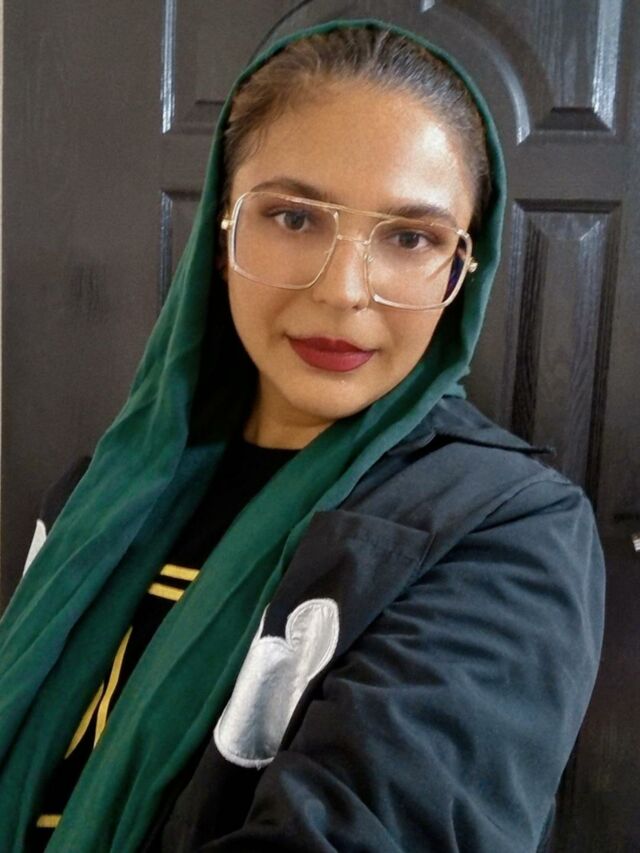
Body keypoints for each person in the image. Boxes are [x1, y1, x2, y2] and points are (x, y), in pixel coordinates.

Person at [0, 16, 605, 853]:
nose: (345, 290)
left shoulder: (508, 532)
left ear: (462, 270)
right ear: (222, 231)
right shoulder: (101, 495)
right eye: (293, 218)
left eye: (411, 237)